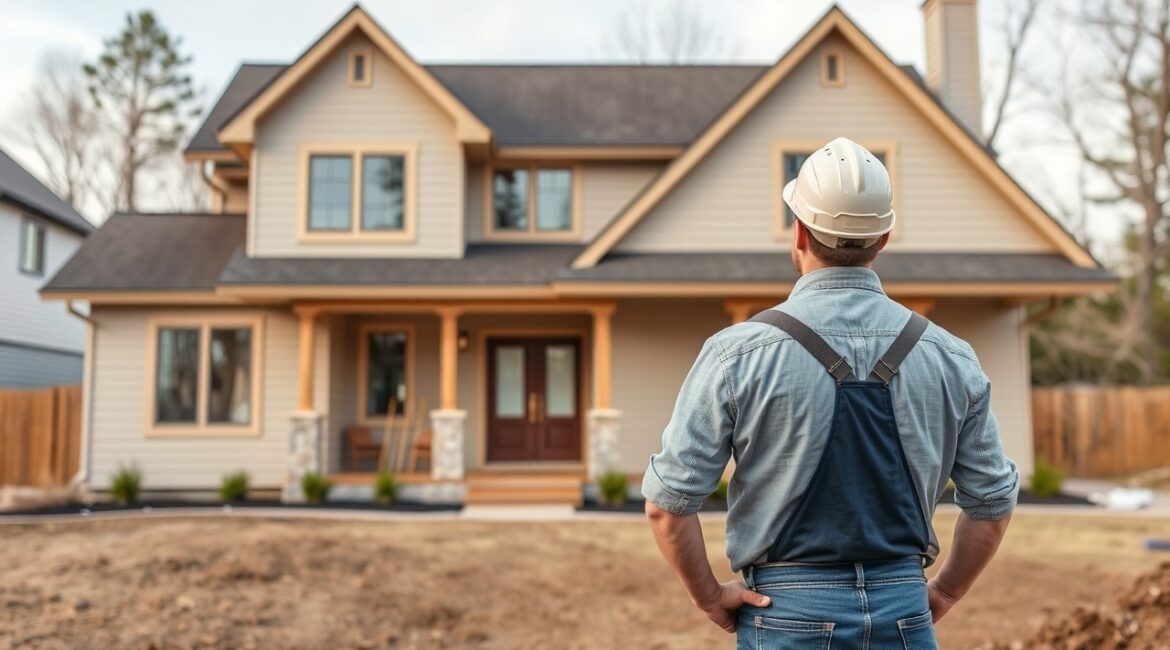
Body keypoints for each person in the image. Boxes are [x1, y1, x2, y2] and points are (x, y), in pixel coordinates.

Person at [642, 137, 1018, 648]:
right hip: (905, 611)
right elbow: (992, 502)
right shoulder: (951, 357)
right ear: (883, 238)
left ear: (798, 231)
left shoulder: (737, 354)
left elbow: (668, 505)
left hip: (785, 614)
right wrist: (945, 592)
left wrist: (709, 597)